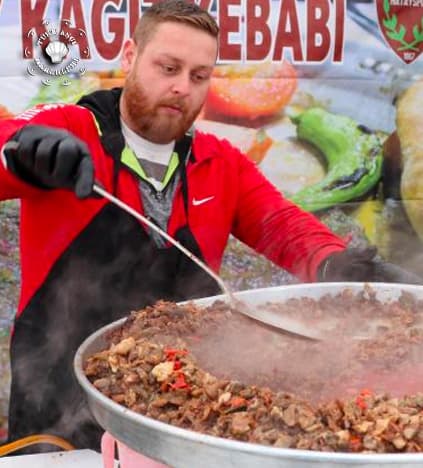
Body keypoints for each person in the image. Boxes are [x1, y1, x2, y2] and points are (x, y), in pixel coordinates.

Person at [0, 0, 420, 452]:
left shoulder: (220, 161)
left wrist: (335, 263)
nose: (181, 87)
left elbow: (281, 224)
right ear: (129, 57)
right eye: (168, 67)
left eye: (199, 76)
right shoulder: (70, 127)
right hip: (56, 403)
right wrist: (26, 150)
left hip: (177, 415)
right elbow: (9, 144)